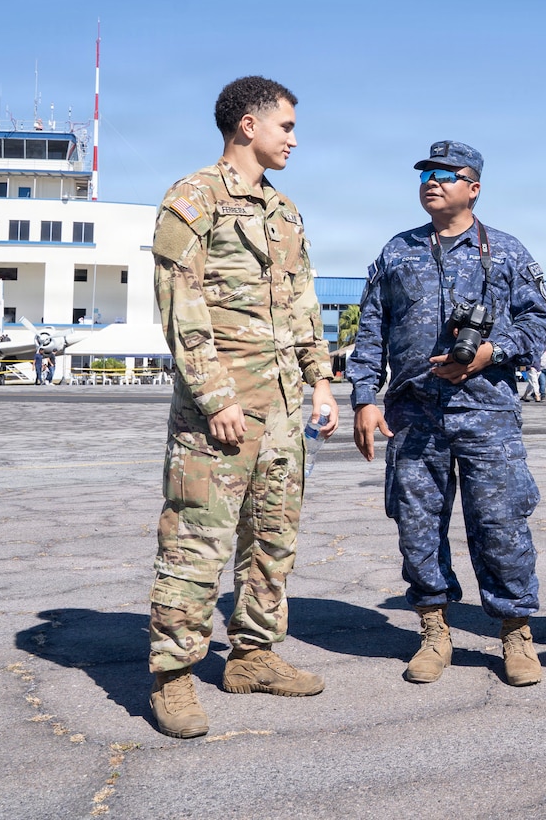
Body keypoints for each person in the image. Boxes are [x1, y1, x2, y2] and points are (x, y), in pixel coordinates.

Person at [145, 75, 340, 740]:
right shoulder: (193, 197)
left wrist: (320, 381)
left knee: (272, 542)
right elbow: (181, 305)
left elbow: (304, 302)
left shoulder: (285, 213)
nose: (293, 138)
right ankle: (173, 677)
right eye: (285, 125)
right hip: (222, 412)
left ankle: (253, 655)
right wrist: (215, 396)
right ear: (248, 126)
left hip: (285, 410)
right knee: (197, 542)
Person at [348, 141, 546, 687]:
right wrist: (364, 397)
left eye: (446, 174)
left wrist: (493, 351)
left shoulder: (506, 252)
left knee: (500, 525)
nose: (432, 181)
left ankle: (515, 632)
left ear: (474, 187)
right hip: (414, 414)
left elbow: (538, 323)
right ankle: (435, 632)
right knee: (417, 526)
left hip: (487, 411)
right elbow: (370, 327)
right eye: (425, 174)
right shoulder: (397, 252)